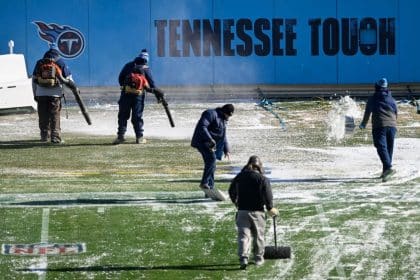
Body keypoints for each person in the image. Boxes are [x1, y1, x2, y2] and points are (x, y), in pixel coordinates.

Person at [228, 155, 279, 270]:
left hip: (242, 212)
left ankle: (243, 258)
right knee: (258, 236)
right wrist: (270, 208)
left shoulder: (239, 177)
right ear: (259, 166)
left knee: (243, 236)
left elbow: (231, 191)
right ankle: (258, 259)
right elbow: (268, 196)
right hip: (257, 212)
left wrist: (236, 203)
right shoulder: (263, 179)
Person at [113, 49, 163, 144]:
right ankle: (139, 138)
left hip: (125, 94)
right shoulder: (145, 68)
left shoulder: (128, 65)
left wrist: (124, 87)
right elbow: (152, 85)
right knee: (137, 117)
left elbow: (120, 78)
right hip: (138, 96)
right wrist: (158, 96)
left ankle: (120, 137)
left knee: (123, 116)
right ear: (146, 60)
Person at [191, 104, 234, 201]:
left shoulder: (223, 120)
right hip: (202, 142)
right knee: (211, 160)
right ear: (225, 112)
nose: (229, 117)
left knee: (211, 165)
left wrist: (226, 149)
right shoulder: (210, 113)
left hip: (210, 144)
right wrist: (210, 139)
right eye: (229, 115)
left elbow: (223, 136)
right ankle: (205, 183)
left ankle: (209, 189)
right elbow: (202, 126)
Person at [32, 43, 73, 144]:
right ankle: (55, 138)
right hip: (55, 94)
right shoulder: (61, 62)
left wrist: (35, 94)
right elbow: (69, 80)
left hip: (41, 94)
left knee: (43, 115)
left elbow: (33, 80)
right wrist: (65, 93)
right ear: (57, 51)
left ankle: (44, 136)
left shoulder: (39, 62)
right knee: (54, 115)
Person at [359, 78, 398, 182]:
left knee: (381, 146)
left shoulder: (373, 98)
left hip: (380, 125)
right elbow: (396, 112)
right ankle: (386, 172)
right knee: (388, 149)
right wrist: (393, 124)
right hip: (392, 126)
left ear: (376, 87)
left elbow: (367, 112)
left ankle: (388, 167)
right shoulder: (391, 99)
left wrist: (363, 124)